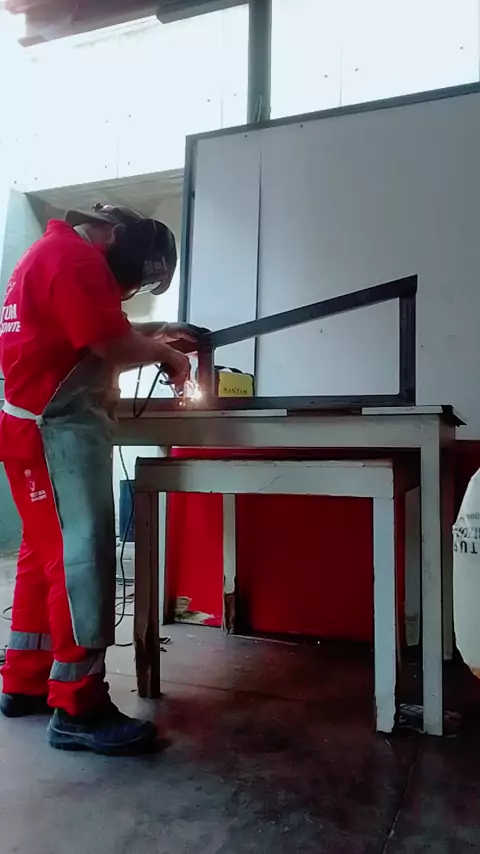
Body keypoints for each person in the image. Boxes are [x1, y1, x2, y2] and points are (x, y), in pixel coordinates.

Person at [0, 204, 202, 755]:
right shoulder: (77, 259)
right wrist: (167, 356)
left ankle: (24, 679)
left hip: (30, 428)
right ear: (115, 239)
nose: (126, 291)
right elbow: (109, 346)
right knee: (82, 562)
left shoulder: (51, 252)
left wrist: (159, 333)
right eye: (131, 282)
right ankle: (79, 707)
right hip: (55, 431)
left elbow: (90, 328)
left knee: (45, 557)